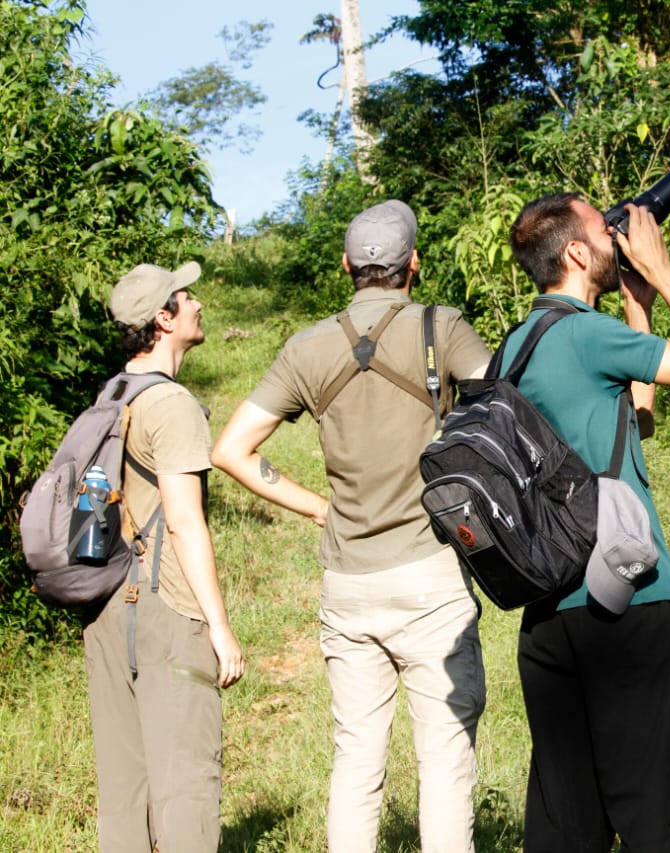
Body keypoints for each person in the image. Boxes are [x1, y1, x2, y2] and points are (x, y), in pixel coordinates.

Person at [211, 200, 491, 853]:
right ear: (413, 264)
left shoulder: (306, 348)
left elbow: (230, 450)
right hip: (431, 575)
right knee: (444, 761)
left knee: (357, 763)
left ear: (346, 266)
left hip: (348, 583)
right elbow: (506, 409)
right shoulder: (441, 327)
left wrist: (318, 507)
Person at [504, 191, 670, 852]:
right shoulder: (584, 331)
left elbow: (635, 422)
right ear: (577, 252)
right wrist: (663, 271)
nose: (617, 239)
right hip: (628, 601)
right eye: (602, 232)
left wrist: (638, 306)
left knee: (567, 823)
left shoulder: (520, 346)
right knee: (659, 812)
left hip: (550, 613)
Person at [84, 261, 245, 852]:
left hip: (106, 607)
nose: (197, 301)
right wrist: (220, 628)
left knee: (125, 789)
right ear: (163, 318)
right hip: (164, 607)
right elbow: (183, 519)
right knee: (185, 787)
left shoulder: (111, 394)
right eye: (185, 295)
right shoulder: (171, 405)